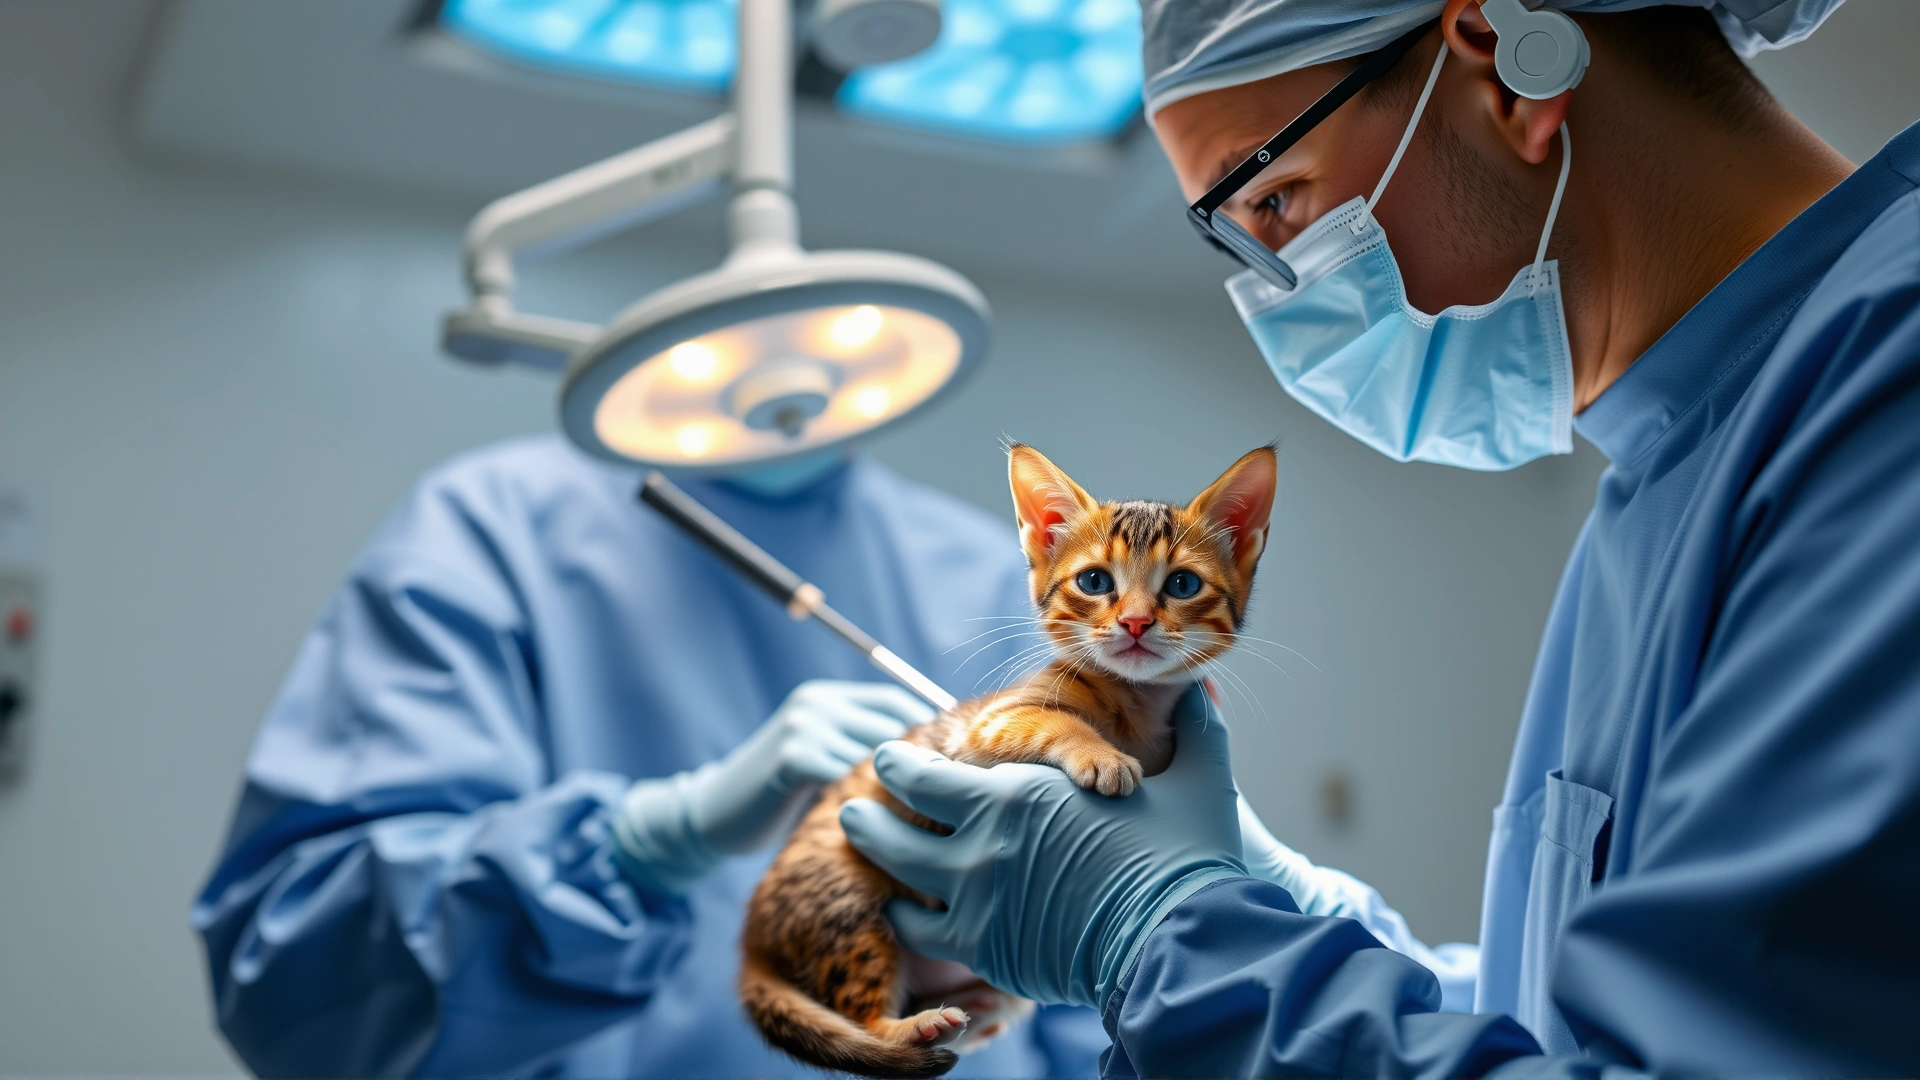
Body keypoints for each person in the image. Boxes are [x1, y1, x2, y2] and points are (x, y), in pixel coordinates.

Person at [842, 0, 1920, 1074]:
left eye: (1274, 197)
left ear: (1506, 71)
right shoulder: (1665, 481)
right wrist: (1281, 914)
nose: (1278, 302)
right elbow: (1563, 1030)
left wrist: (1173, 941)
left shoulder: (1889, 388)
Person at [192, 438, 1109, 1078]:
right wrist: (646, 844)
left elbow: (1100, 1003)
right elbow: (301, 990)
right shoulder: (496, 527)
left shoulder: (1002, 577)